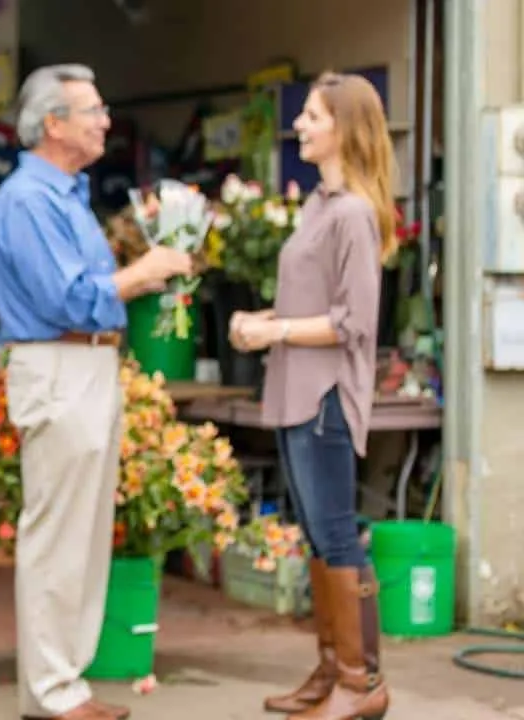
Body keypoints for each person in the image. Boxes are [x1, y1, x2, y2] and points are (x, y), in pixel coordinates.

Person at [0, 64, 194, 720]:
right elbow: (70, 298)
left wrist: (138, 250)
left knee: (82, 533)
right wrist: (147, 269)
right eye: (94, 110)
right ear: (54, 124)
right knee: (58, 535)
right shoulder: (28, 197)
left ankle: (64, 685)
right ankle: (50, 693)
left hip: (84, 367)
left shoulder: (64, 195)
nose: (106, 120)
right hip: (60, 364)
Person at [229, 71, 395, 720]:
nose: (300, 124)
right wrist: (262, 322)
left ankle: (361, 680)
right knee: (319, 540)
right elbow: (311, 304)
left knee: (335, 535)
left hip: (325, 393)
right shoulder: (318, 206)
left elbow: (355, 320)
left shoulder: (353, 213)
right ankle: (333, 672)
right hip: (294, 388)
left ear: (345, 129)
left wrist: (274, 330)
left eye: (314, 116)